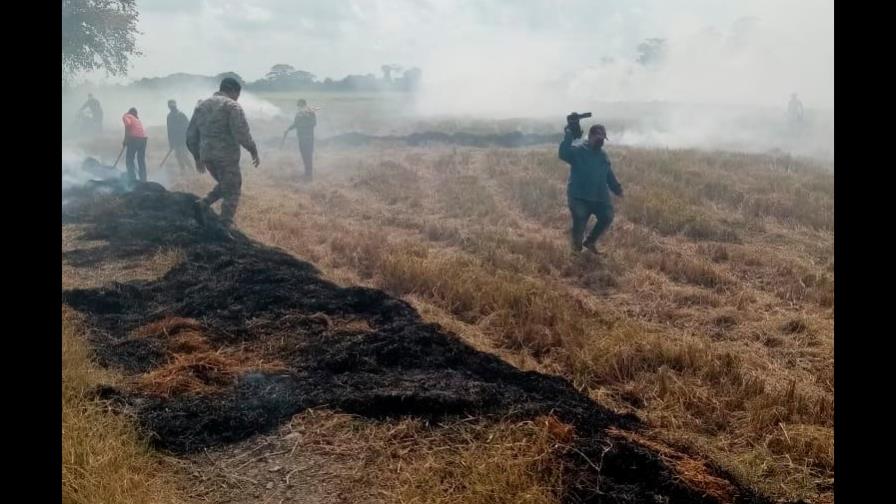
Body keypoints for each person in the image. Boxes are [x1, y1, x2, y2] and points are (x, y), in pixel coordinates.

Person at [186, 77, 260, 228]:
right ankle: (225, 225)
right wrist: (253, 150)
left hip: (207, 156)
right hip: (225, 156)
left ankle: (203, 203)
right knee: (233, 190)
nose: (237, 98)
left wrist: (197, 157)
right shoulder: (232, 106)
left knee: (227, 184)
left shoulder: (201, 106)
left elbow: (190, 135)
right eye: (237, 95)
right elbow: (241, 134)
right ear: (233, 91)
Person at [558, 121, 623, 255]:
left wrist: (618, 189)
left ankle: (590, 242)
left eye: (603, 139)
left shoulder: (603, 156)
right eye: (598, 138)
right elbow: (563, 153)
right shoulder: (578, 151)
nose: (601, 141)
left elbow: (609, 175)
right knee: (580, 221)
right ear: (590, 136)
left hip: (599, 197)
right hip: (579, 197)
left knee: (607, 216)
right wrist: (569, 134)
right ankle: (576, 251)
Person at [283, 99, 317, 181]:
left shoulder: (311, 113)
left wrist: (304, 121)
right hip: (301, 139)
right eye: (299, 106)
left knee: (308, 157)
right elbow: (295, 124)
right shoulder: (298, 114)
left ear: (304, 105)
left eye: (300, 106)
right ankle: (307, 173)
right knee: (304, 156)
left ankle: (309, 176)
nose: (299, 107)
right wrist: (288, 129)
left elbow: (313, 123)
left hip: (308, 139)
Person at [122, 107, 148, 182]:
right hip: (143, 139)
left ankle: (132, 179)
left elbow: (127, 125)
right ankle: (143, 179)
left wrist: (125, 139)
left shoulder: (126, 116)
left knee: (129, 159)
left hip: (135, 139)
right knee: (141, 160)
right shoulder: (137, 119)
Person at [166, 100, 192, 172]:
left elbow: (188, 126)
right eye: (170, 106)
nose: (172, 107)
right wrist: (171, 143)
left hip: (183, 140)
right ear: (169, 107)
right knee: (178, 156)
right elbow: (169, 131)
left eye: (173, 106)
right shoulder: (169, 117)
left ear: (175, 106)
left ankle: (192, 169)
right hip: (175, 141)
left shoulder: (181, 115)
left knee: (184, 156)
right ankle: (183, 170)